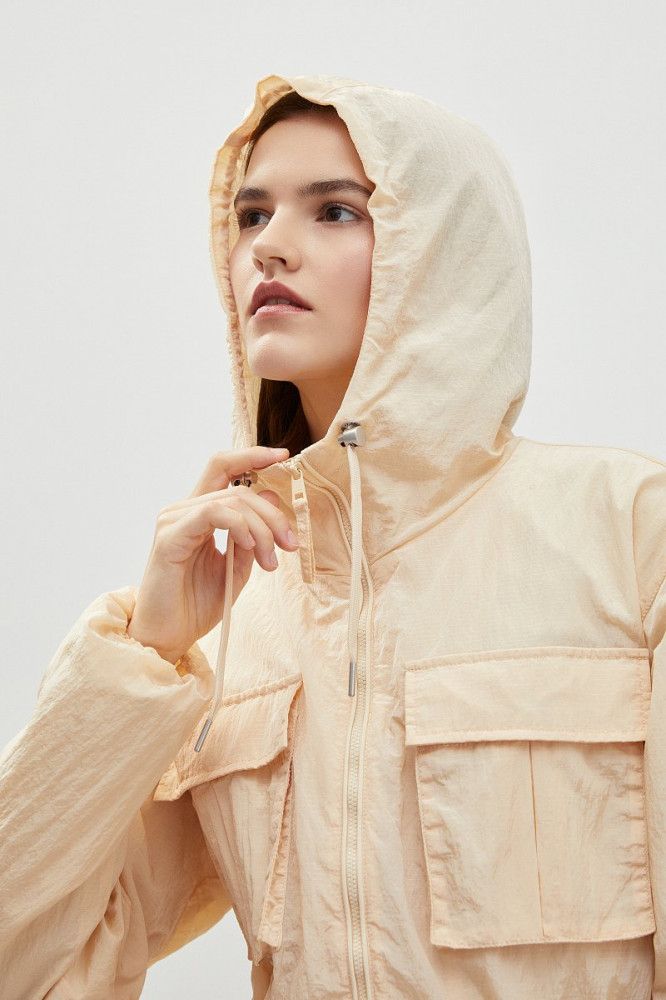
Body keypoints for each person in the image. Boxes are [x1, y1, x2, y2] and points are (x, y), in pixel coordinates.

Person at [1, 72, 666, 1000]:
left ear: (442, 255)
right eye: (252, 215)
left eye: (336, 211)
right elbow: (29, 963)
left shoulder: (630, 531)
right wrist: (146, 652)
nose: (269, 246)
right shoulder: (235, 622)